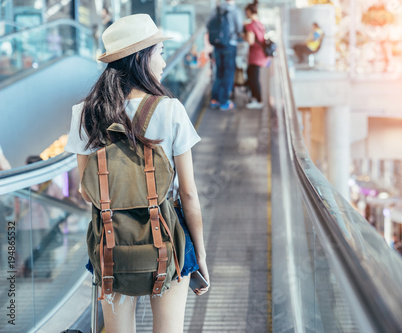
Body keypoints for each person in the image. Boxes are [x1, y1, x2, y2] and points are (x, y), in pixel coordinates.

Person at [64, 14, 209, 332]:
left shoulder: (85, 114)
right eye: (159, 51)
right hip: (170, 238)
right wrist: (199, 256)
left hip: (110, 238)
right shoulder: (170, 110)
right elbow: (188, 194)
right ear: (141, 58)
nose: (163, 59)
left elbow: (86, 190)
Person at [207, 0, 244, 111]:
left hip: (217, 45)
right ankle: (224, 102)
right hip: (230, 45)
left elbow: (208, 24)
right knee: (228, 74)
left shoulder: (217, 9)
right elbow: (239, 29)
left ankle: (214, 100)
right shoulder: (235, 11)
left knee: (219, 73)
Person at [243, 1, 268, 109]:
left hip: (255, 55)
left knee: (253, 77)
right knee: (252, 75)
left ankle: (257, 100)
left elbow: (250, 41)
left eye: (246, 12)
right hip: (261, 54)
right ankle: (255, 99)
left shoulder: (250, 25)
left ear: (249, 11)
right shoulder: (260, 23)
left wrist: (243, 35)